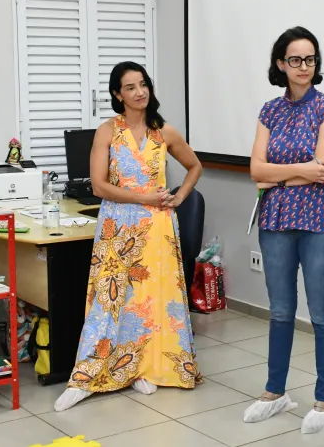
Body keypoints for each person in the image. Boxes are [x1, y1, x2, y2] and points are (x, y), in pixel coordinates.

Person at [54, 61, 204, 412]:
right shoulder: (108, 131)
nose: (140, 92)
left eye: (143, 85)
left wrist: (179, 197)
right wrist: (144, 198)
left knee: (150, 300)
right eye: (131, 87)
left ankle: (142, 367)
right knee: (110, 300)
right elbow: (99, 185)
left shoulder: (163, 131)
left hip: (158, 227)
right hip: (118, 225)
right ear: (117, 94)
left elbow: (194, 166)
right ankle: (86, 376)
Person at [245, 26, 324, 434]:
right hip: (275, 221)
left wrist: (278, 176)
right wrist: (298, 172)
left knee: (322, 313)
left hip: (321, 223)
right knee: (281, 311)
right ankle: (275, 392)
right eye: (295, 60)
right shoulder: (270, 111)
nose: (303, 66)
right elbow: (255, 170)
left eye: (310, 59)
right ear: (280, 65)